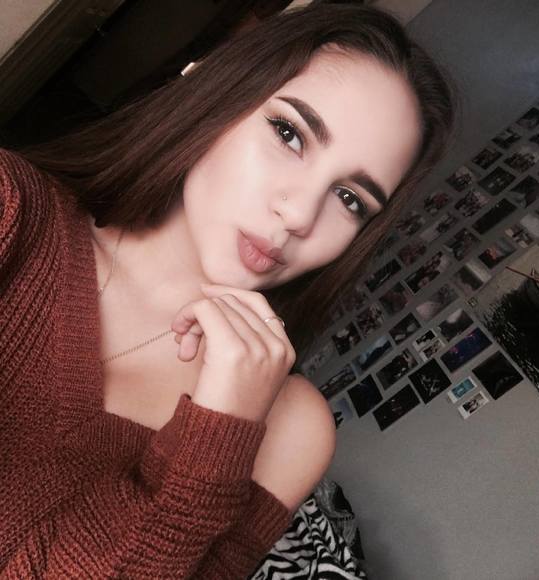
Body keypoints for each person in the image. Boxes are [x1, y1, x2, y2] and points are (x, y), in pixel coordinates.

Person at [0, 3, 456, 578]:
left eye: (350, 199)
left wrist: (220, 437)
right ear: (215, 92)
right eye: (289, 134)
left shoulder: (292, 427)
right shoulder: (13, 212)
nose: (298, 214)